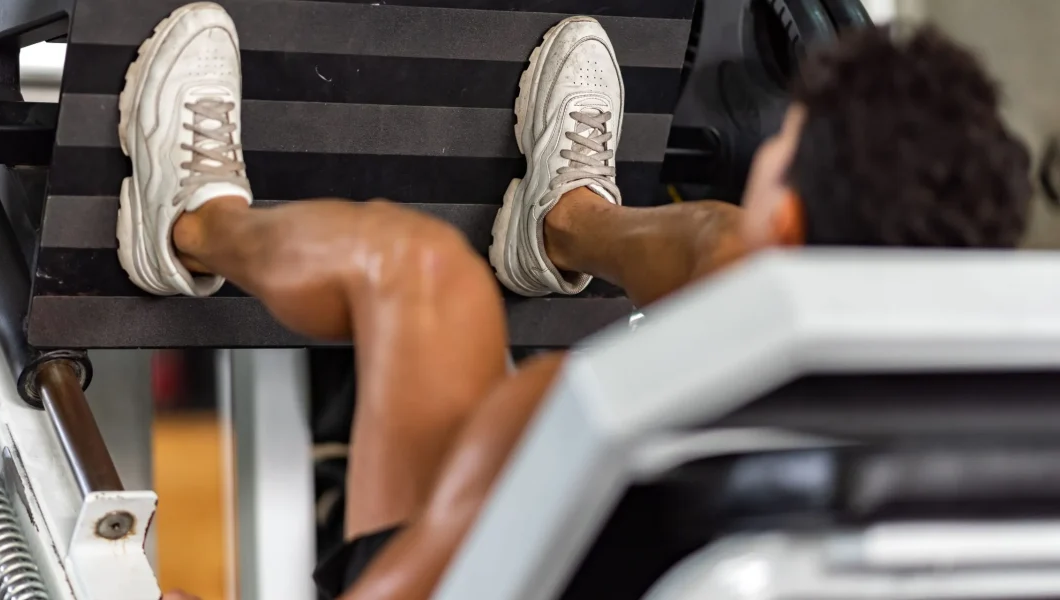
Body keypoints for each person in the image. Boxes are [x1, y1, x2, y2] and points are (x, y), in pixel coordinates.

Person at [117, 4, 1031, 599]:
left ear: (787, 205)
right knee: (723, 249)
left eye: (781, 149)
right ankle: (566, 224)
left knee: (416, 270)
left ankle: (193, 227)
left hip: (472, 574)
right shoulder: (981, 466)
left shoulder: (584, 428)